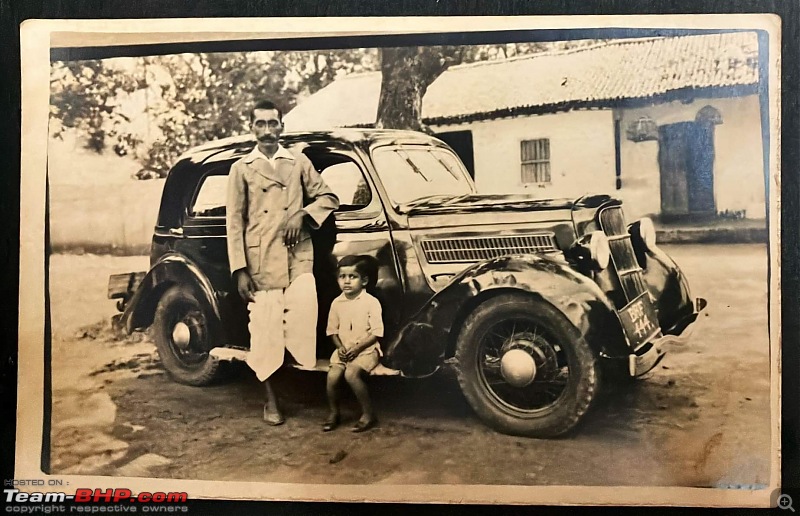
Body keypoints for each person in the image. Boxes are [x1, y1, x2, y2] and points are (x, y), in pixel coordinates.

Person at [226, 99, 339, 425]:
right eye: (259, 124)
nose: (266, 131)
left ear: (281, 127)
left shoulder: (298, 162)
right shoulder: (241, 169)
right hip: (261, 263)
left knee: (302, 326)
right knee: (265, 333)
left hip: (297, 259)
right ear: (252, 128)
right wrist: (240, 269)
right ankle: (271, 401)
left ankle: (304, 387)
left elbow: (329, 197)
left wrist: (303, 215)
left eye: (272, 123)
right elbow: (234, 223)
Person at [323, 255, 383, 433]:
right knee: (332, 377)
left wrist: (357, 349)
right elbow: (332, 331)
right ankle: (334, 413)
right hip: (344, 350)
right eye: (342, 277)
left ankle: (368, 413)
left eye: (352, 277)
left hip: (366, 350)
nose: (346, 282)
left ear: (364, 280)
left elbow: (377, 333)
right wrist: (339, 347)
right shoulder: (337, 303)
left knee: (351, 374)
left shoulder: (371, 302)